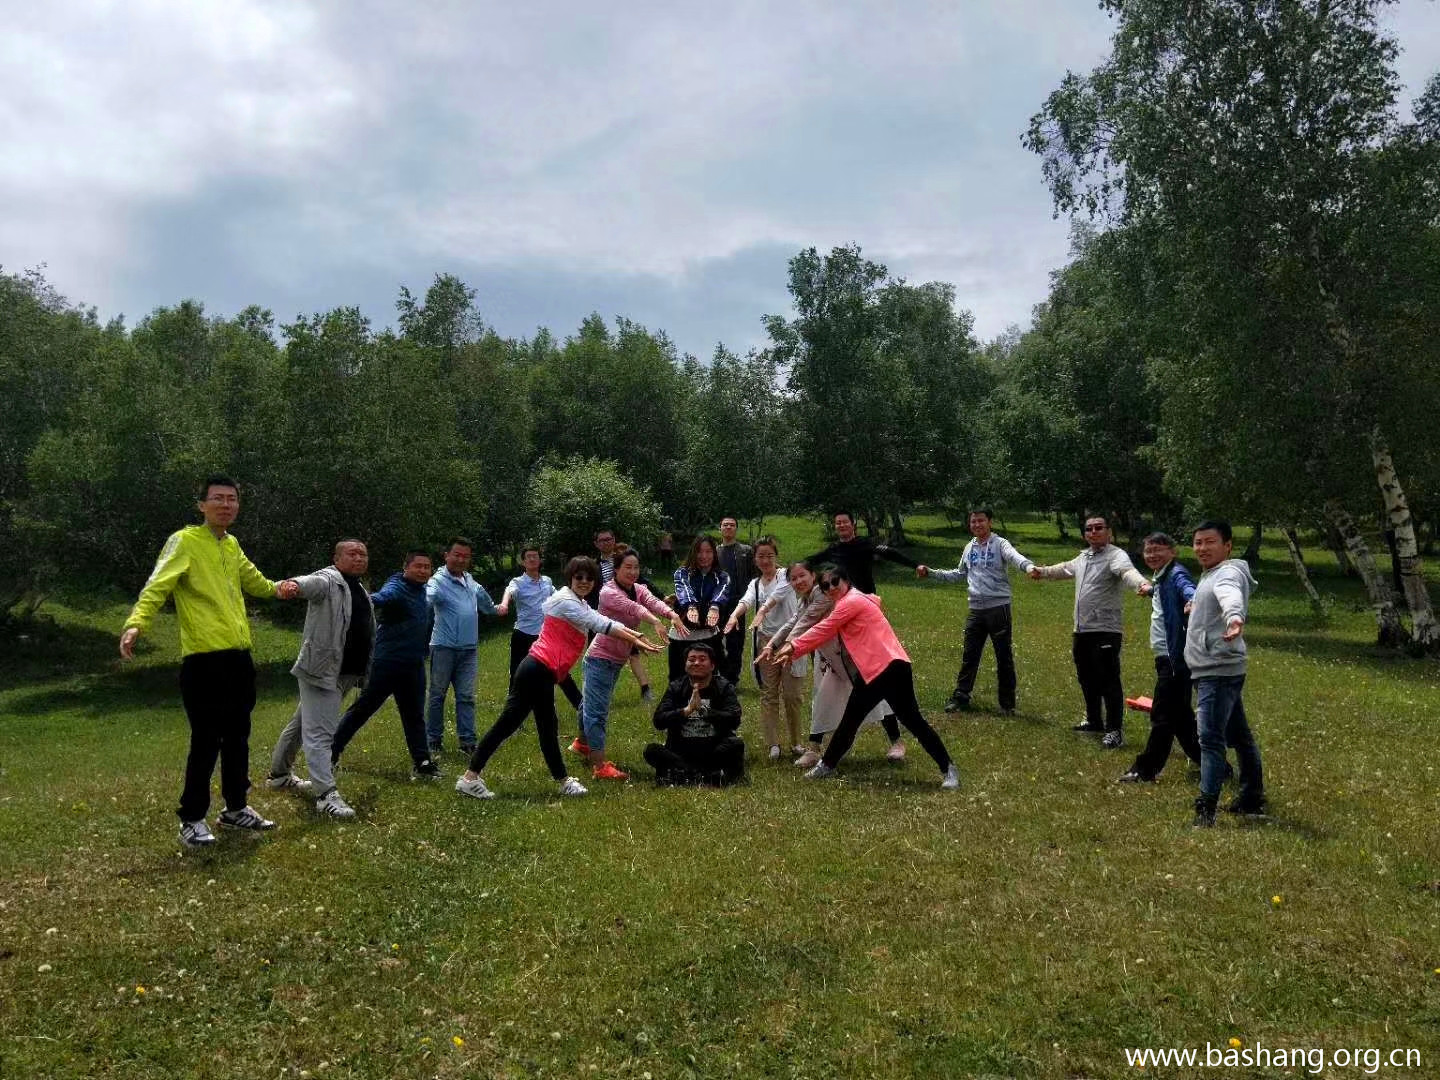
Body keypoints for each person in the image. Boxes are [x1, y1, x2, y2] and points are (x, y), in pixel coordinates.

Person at [119, 475, 299, 848]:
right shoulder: (184, 541)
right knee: (206, 740)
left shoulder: (231, 545)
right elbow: (158, 585)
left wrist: (280, 588)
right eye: (218, 498)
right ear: (201, 505)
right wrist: (136, 624)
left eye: (232, 499)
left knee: (238, 737)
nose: (226, 505)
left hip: (239, 657)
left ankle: (236, 808)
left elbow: (255, 581)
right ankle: (192, 819)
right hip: (203, 660)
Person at [454, 558, 661, 800]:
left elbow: (603, 619)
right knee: (509, 725)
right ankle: (470, 778)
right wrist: (635, 639)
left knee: (546, 727)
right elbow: (600, 623)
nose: (584, 582)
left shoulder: (578, 601)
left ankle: (562, 781)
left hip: (542, 672)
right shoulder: (565, 601)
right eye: (579, 577)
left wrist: (636, 636)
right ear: (570, 578)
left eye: (589, 578)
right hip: (536, 670)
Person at [774, 565, 960, 789]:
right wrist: (793, 647)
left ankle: (948, 769)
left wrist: (793, 646)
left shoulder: (850, 602)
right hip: (880, 670)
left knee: (908, 721)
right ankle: (827, 765)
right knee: (855, 720)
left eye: (835, 582)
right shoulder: (856, 599)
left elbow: (825, 628)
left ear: (846, 581)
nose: (831, 588)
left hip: (888, 669)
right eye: (825, 586)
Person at [267, 539, 374, 819]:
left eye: (363, 554)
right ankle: (325, 795)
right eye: (352, 553)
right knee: (320, 734)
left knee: (302, 723)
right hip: (324, 671)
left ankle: (279, 775)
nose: (359, 558)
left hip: (346, 673)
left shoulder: (359, 588)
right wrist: (292, 585)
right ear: (336, 558)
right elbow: (308, 583)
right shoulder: (329, 580)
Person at [1030, 514, 1151, 748]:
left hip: (1105, 629)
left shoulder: (1115, 555)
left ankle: (1114, 730)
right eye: (1089, 529)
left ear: (1109, 532)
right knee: (1086, 677)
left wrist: (1142, 584)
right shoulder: (1084, 557)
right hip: (1082, 629)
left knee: (1108, 680)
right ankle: (1094, 720)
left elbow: (1127, 572)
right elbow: (1065, 569)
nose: (1093, 532)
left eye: (1098, 528)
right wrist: (1042, 572)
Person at [802, 511, 912, 759]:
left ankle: (896, 741)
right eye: (837, 522)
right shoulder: (833, 551)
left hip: (862, 625)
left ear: (853, 524)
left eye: (845, 522)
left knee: (874, 683)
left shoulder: (864, 545)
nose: (841, 525)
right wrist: (788, 571)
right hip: (838, 627)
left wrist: (915, 565)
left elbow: (889, 553)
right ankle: (815, 747)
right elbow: (810, 561)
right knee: (824, 686)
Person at [758, 560, 886, 769]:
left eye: (802, 576)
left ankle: (896, 741)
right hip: (831, 659)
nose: (798, 581)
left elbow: (806, 622)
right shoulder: (804, 600)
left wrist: (788, 646)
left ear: (813, 575)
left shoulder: (822, 594)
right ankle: (815, 749)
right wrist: (771, 645)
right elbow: (794, 621)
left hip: (851, 655)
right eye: (793, 579)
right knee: (823, 701)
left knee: (878, 698)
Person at [331, 549, 441, 781]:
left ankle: (422, 762)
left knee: (414, 715)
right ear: (406, 567)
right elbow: (382, 597)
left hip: (413, 665)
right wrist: (364, 600)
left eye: (427, 567)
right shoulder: (398, 586)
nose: (423, 571)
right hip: (386, 664)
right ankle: (330, 753)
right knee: (362, 710)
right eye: (418, 566)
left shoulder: (421, 589)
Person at [577, 549, 687, 779]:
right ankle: (599, 767)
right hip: (599, 658)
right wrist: (655, 622)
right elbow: (634, 608)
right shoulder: (608, 592)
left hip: (615, 660)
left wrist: (672, 615)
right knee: (596, 712)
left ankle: (582, 743)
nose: (633, 572)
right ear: (616, 569)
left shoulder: (638, 589)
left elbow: (652, 602)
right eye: (627, 567)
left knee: (590, 703)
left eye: (636, 567)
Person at [916, 509, 1036, 714]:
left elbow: (1015, 557)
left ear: (990, 522)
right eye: (973, 521)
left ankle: (1007, 705)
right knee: (970, 655)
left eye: (981, 520)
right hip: (975, 611)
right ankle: (961, 697)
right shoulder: (969, 547)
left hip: (998, 609)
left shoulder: (1000, 544)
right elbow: (959, 573)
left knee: (1004, 657)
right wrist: (931, 573)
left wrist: (1029, 567)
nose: (977, 524)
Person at [1186, 519, 1265, 827]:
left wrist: (1234, 617)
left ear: (1228, 546)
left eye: (1210, 542)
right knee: (1239, 735)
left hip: (1217, 669)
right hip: (1216, 666)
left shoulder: (1227, 573)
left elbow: (1229, 595)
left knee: (1210, 739)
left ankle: (1206, 809)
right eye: (1198, 542)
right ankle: (1252, 796)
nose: (1202, 548)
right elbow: (1213, 599)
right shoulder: (1210, 573)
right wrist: (1196, 606)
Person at [1117, 533, 1202, 784]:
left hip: (1174, 659)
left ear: (1172, 552)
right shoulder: (1163, 577)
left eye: (1158, 550)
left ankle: (1145, 770)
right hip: (1166, 657)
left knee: (1163, 714)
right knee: (1181, 717)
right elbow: (1165, 592)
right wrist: (1150, 590)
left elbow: (1187, 589)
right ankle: (1214, 764)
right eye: (1148, 551)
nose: (1152, 555)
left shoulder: (1176, 574)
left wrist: (1193, 600)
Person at [724, 537, 805, 760]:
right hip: (765, 644)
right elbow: (746, 600)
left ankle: (796, 742)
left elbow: (779, 595)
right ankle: (773, 744)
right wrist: (734, 616)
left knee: (792, 695)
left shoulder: (786, 576)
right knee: (769, 694)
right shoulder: (755, 583)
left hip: (790, 642)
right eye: (761, 556)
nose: (765, 560)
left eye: (770, 555)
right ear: (755, 559)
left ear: (776, 556)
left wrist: (762, 611)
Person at [425, 537, 497, 758]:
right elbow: (428, 597)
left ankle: (468, 742)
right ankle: (433, 740)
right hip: (443, 648)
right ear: (446, 555)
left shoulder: (470, 580)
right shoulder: (437, 581)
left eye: (465, 556)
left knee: (466, 697)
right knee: (437, 696)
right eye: (456, 555)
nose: (461, 560)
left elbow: (485, 602)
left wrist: (497, 609)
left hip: (469, 649)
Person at [644, 641, 746, 786]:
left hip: (713, 750)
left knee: (736, 744)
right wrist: (685, 711)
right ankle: (701, 775)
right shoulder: (676, 687)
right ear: (685, 665)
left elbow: (734, 719)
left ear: (712, 666)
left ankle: (688, 775)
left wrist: (704, 711)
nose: (696, 663)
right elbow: (659, 721)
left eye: (702, 659)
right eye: (692, 660)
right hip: (681, 751)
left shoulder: (723, 687)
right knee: (652, 750)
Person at [495, 545, 582, 712]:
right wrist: (504, 604)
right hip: (523, 635)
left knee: (560, 669)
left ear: (540, 560)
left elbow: (559, 596)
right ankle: (511, 711)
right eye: (528, 556)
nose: (532, 559)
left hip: (545, 637)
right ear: (523, 562)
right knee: (517, 674)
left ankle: (580, 705)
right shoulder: (517, 582)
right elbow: (509, 591)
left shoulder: (547, 581)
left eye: (535, 556)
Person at [669, 535, 730, 681]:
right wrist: (691, 606)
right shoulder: (682, 572)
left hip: (709, 636)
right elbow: (683, 588)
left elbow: (721, 591)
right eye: (699, 551)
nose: (704, 556)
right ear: (693, 553)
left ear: (714, 553)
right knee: (678, 679)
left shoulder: (722, 576)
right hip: (682, 636)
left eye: (708, 551)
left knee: (711, 679)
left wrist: (714, 607)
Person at [715, 516, 754, 684]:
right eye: (725, 525)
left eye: (732, 525)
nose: (728, 527)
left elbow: (755, 573)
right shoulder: (714, 552)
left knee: (735, 643)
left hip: (737, 603)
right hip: (716, 604)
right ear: (720, 529)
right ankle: (719, 674)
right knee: (714, 640)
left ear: (736, 529)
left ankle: (732, 679)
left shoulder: (746, 551)